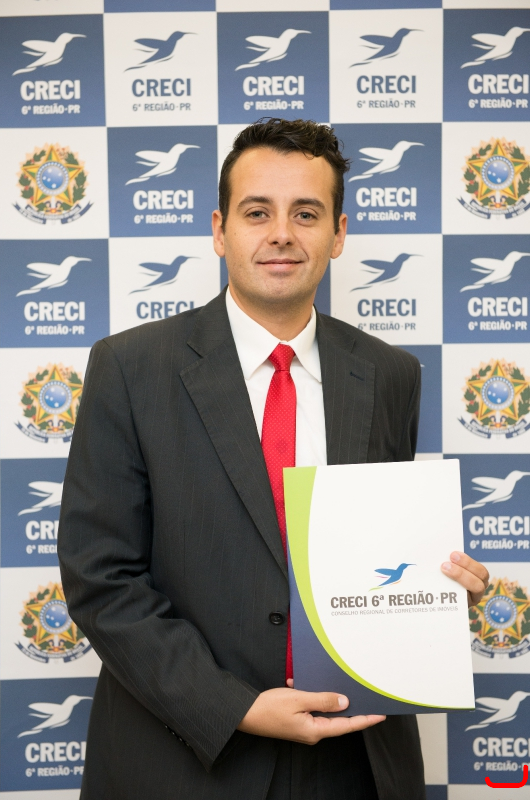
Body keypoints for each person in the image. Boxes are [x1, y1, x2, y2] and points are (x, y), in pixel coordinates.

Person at [58, 118, 489, 800]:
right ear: (220, 230)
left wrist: (435, 594)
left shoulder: (391, 374)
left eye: (306, 214)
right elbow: (100, 578)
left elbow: (379, 552)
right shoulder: (130, 368)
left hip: (354, 756)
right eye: (257, 212)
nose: (282, 233)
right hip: (186, 758)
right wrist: (235, 708)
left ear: (338, 234)